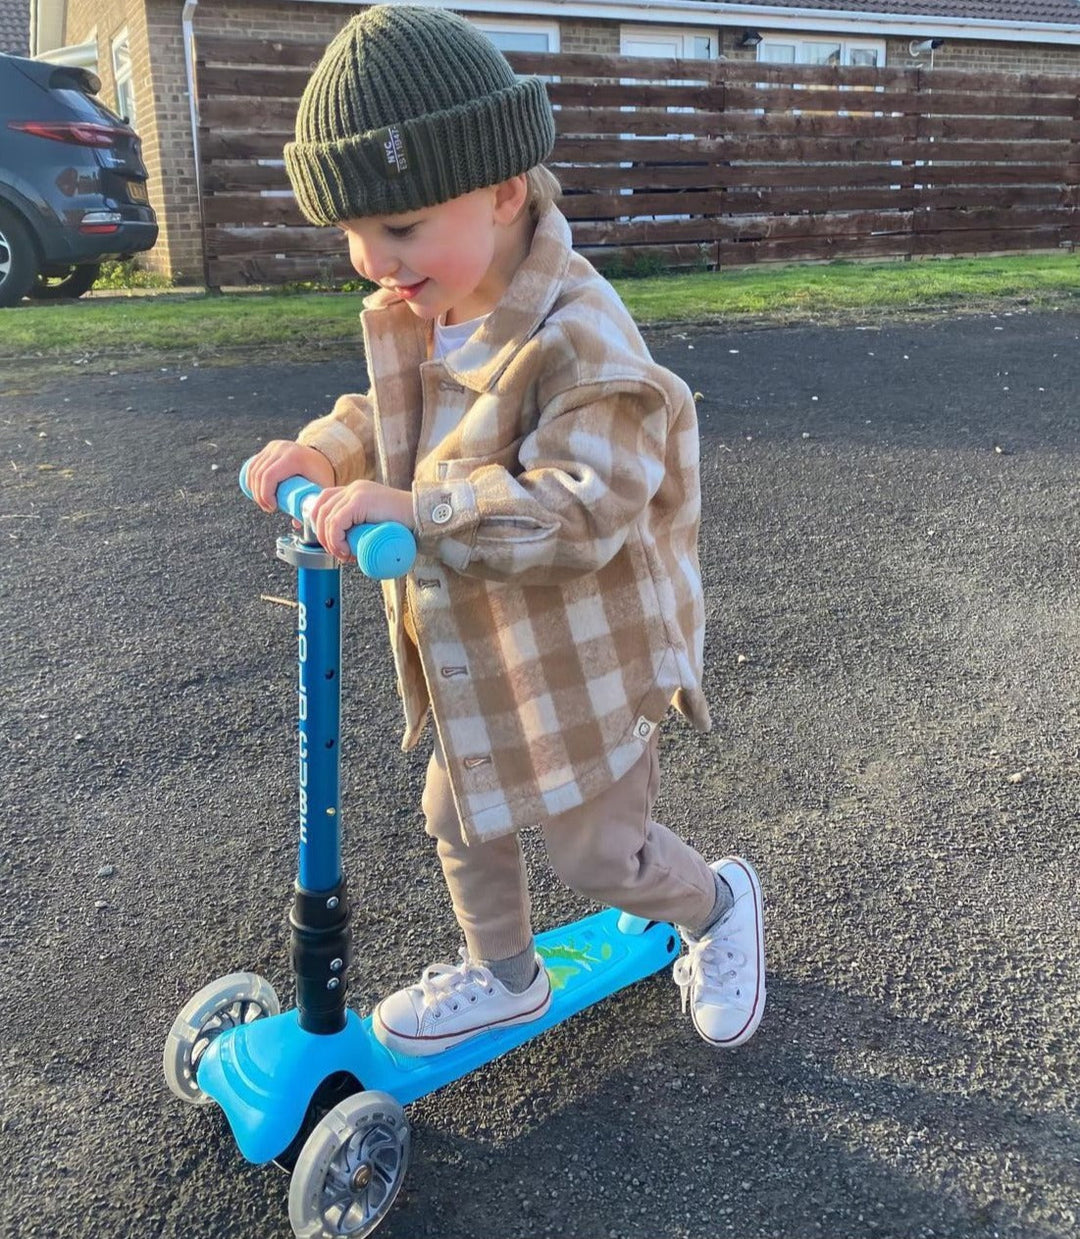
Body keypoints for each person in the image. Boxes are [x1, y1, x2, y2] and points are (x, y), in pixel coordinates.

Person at [245, 4, 765, 1057]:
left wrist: (423, 512)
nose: (369, 259)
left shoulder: (583, 339)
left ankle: (715, 904)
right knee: (458, 810)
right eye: (350, 232)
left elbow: (585, 507)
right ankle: (503, 975)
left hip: (587, 657)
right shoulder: (430, 304)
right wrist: (326, 455)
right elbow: (392, 421)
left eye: (396, 226)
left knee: (595, 856)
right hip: (479, 648)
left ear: (503, 189)